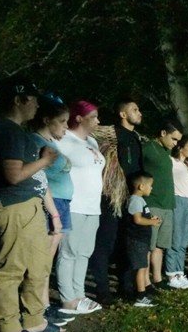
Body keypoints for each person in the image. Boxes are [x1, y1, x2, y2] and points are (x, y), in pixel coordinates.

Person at [0, 75, 59, 332]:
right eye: (33, 100)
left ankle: (34, 320)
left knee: (38, 266)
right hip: (14, 206)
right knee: (12, 270)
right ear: (19, 100)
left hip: (29, 206)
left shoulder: (16, 131)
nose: (37, 107)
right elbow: (13, 175)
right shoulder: (7, 130)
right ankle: (9, 330)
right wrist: (44, 160)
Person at [89, 96, 144, 304]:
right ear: (123, 114)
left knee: (127, 243)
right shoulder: (109, 134)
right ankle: (102, 290)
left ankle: (126, 285)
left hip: (132, 199)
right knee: (106, 243)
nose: (139, 113)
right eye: (135, 109)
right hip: (112, 197)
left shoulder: (136, 137)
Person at [28, 94, 76, 325]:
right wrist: (53, 212)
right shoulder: (36, 143)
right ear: (47, 120)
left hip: (62, 203)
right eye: (63, 121)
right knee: (43, 259)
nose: (67, 127)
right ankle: (39, 307)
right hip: (51, 203)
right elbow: (39, 179)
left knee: (49, 258)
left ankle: (44, 304)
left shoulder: (52, 143)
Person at [55, 100, 105, 315]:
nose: (98, 121)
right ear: (79, 118)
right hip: (73, 204)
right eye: (93, 117)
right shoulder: (64, 140)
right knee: (69, 252)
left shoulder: (92, 142)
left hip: (93, 206)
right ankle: (67, 299)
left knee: (84, 252)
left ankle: (79, 293)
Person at [142, 120, 188, 289]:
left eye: (178, 140)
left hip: (168, 205)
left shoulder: (166, 153)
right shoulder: (148, 148)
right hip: (153, 202)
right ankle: (145, 281)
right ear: (163, 133)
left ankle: (158, 279)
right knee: (149, 245)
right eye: (174, 139)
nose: (176, 143)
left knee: (161, 245)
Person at [164, 136, 188, 285]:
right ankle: (171, 275)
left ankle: (180, 273)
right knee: (176, 239)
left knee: (184, 240)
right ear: (180, 147)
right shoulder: (171, 162)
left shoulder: (187, 166)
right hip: (178, 201)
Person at [126, 171, 161, 307]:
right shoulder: (135, 200)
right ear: (141, 186)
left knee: (143, 266)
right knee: (140, 268)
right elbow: (138, 219)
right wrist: (151, 222)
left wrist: (151, 219)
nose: (151, 188)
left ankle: (143, 292)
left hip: (142, 240)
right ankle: (140, 296)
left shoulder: (140, 200)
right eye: (150, 185)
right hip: (136, 240)